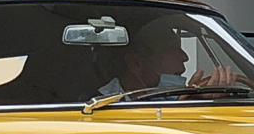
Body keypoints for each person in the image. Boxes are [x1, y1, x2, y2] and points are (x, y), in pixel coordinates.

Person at [95, 16, 240, 97]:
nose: (185, 57)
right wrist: (182, 105)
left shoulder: (167, 97)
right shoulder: (97, 106)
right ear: (136, 63)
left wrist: (204, 100)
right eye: (172, 49)